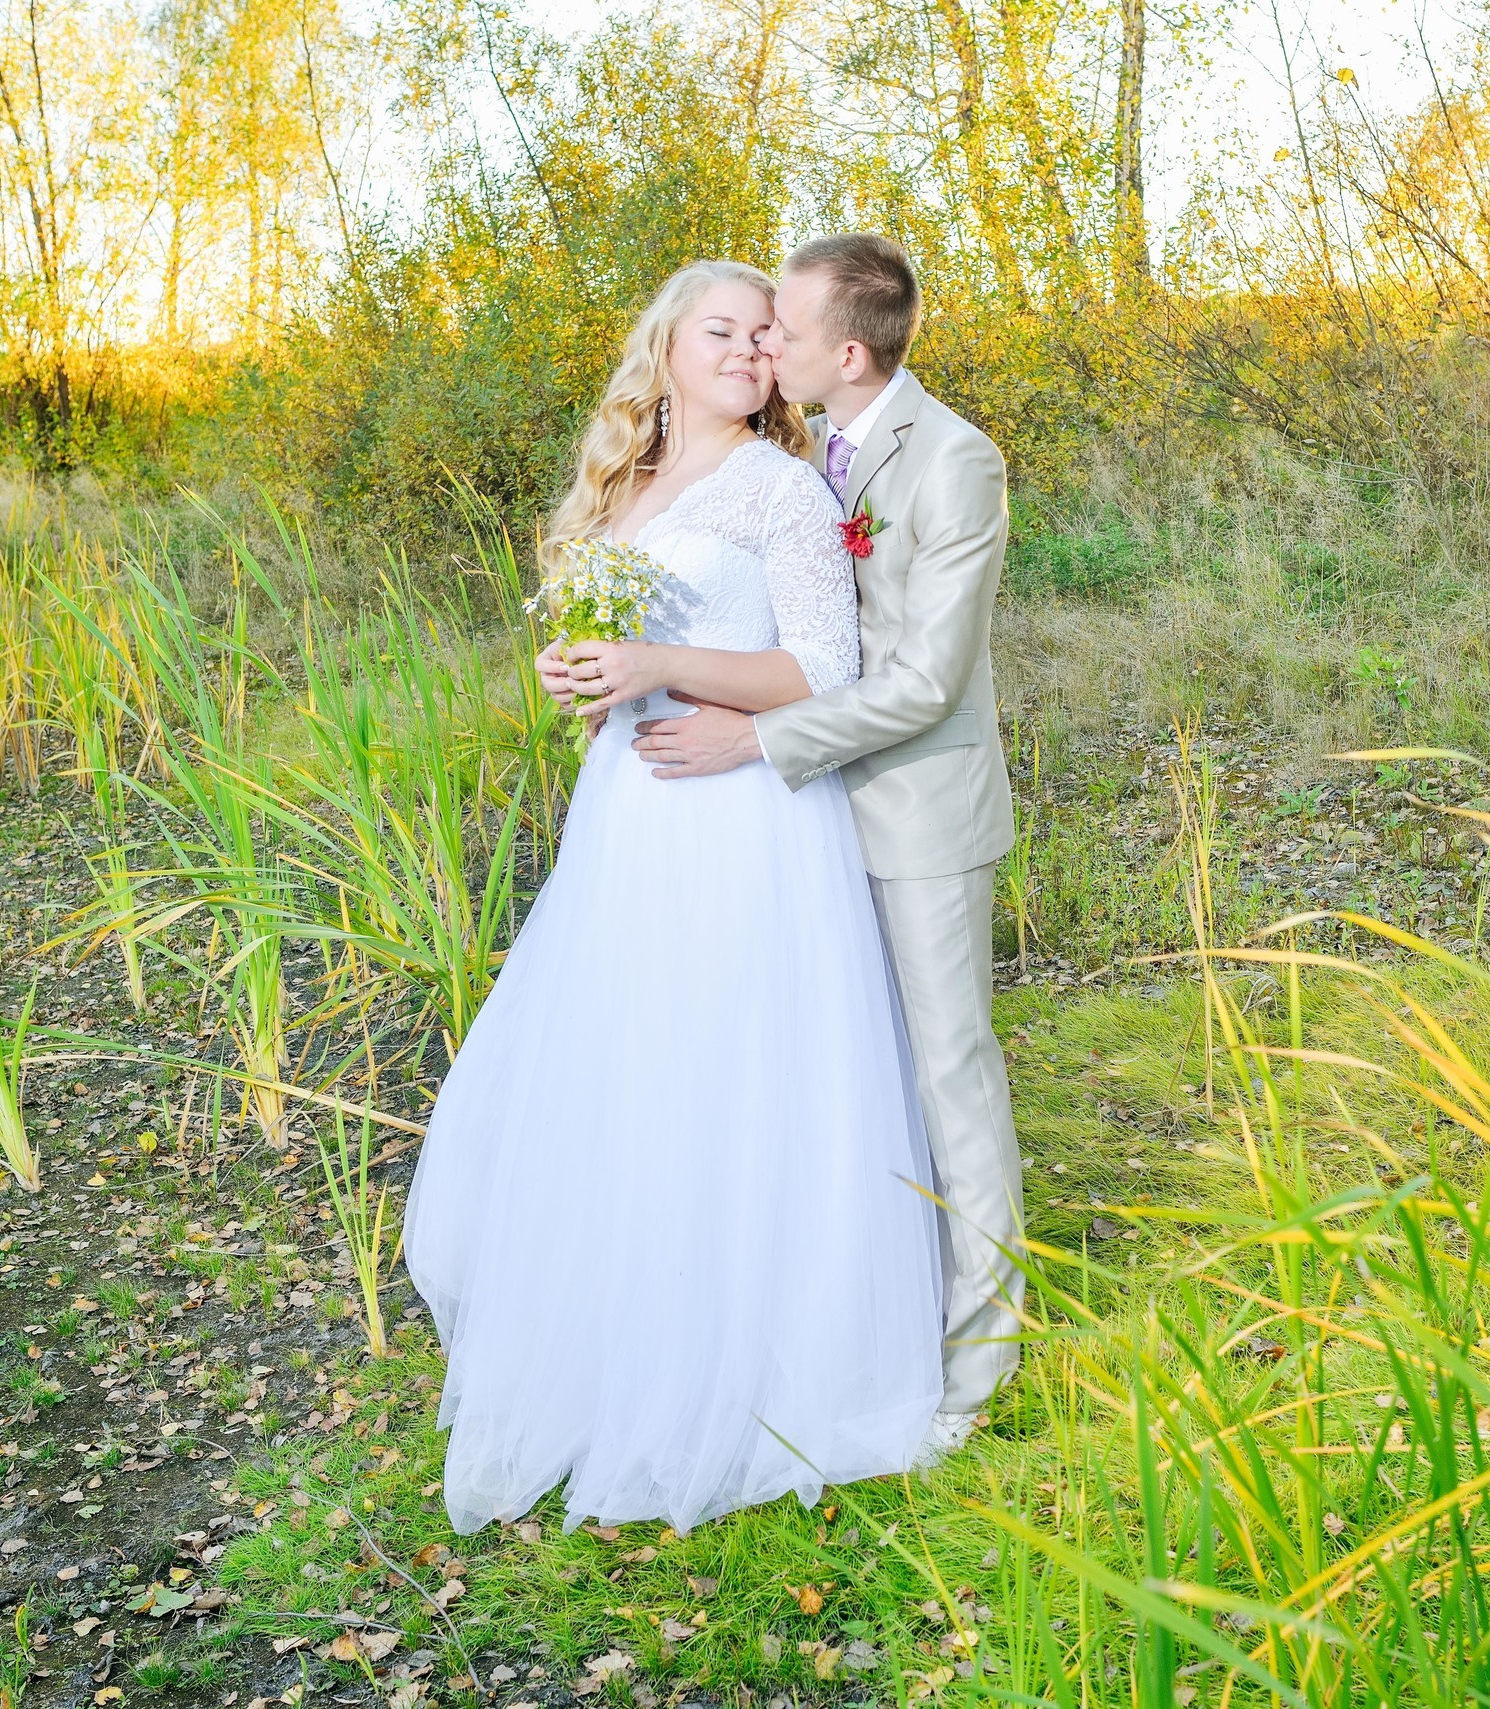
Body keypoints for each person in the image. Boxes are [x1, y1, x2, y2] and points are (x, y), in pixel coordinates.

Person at [401, 259, 944, 1536]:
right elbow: (622, 659)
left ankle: (751, 1347)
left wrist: (656, 659)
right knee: (632, 1058)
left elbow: (820, 665)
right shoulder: (625, 489)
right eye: (726, 330)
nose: (753, 352)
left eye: (769, 336)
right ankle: (628, 1323)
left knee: (734, 1061)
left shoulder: (779, 491)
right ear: (664, 342)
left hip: (746, 816)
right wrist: (587, 674)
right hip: (634, 811)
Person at [617, 235, 1022, 1462]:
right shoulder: (809, 452)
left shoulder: (953, 462)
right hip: (801, 820)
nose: (760, 345)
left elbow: (920, 679)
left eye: (778, 330)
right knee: (845, 1071)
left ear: (842, 353)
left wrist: (758, 742)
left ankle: (977, 1359)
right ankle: (845, 1308)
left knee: (949, 1071)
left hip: (910, 807)